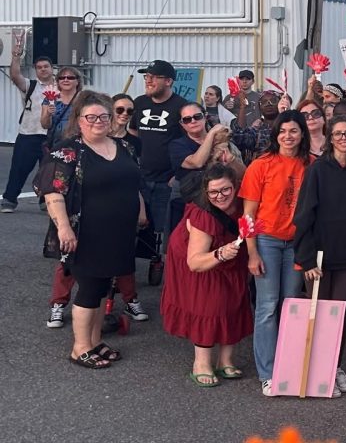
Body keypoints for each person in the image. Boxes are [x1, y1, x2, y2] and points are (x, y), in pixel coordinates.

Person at [36, 91, 147, 369]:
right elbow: (53, 194)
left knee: (102, 287)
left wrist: (141, 211)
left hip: (119, 233)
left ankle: (95, 341)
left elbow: (133, 184)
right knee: (88, 288)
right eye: (91, 117)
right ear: (79, 120)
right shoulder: (68, 150)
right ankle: (80, 348)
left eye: (104, 116)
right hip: (85, 232)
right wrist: (64, 229)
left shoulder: (125, 148)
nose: (98, 121)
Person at [292, 116, 346, 396]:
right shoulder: (317, 170)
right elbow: (304, 214)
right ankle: (317, 370)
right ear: (329, 138)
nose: (343, 138)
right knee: (319, 314)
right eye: (337, 134)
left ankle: (334, 365)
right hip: (319, 258)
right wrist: (307, 258)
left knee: (339, 315)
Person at [161, 164, 253, 387]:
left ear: (235, 187)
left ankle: (225, 360)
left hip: (230, 256)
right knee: (209, 305)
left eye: (225, 190)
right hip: (203, 259)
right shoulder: (204, 215)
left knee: (235, 301)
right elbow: (195, 262)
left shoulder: (243, 205)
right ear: (205, 192)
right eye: (213, 192)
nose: (220, 196)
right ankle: (201, 363)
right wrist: (220, 254)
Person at [240, 110, 309, 396]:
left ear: (302, 133)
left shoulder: (311, 165)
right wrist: (252, 252)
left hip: (297, 243)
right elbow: (247, 214)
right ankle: (268, 373)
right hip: (267, 241)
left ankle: (291, 367)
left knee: (292, 305)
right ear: (275, 134)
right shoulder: (261, 165)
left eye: (293, 130)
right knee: (267, 307)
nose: (288, 136)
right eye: (282, 131)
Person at [131, 60, 188, 269]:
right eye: (146, 76)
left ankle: (163, 263)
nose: (148, 80)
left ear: (168, 81)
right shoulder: (139, 103)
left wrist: (178, 173)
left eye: (153, 77)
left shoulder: (181, 107)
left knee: (166, 227)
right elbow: (133, 131)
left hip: (169, 179)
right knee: (138, 224)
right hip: (141, 177)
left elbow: (190, 141)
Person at [3, 37, 55, 213]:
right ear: (36, 70)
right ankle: (9, 200)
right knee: (19, 168)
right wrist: (16, 56)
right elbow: (15, 75)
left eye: (46, 66)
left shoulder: (61, 86)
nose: (43, 70)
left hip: (52, 135)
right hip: (29, 134)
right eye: (39, 68)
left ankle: (45, 201)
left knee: (49, 171)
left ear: (52, 68)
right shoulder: (30, 85)